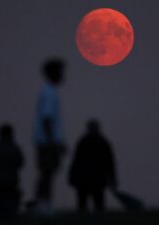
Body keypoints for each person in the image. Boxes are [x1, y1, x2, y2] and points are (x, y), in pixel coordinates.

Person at [33, 58, 66, 215]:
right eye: (60, 71)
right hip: (47, 142)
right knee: (46, 173)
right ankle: (43, 205)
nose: (62, 75)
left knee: (48, 173)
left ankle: (44, 203)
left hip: (47, 141)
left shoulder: (49, 92)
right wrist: (54, 142)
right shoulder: (49, 93)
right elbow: (47, 119)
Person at [68, 120, 117, 212]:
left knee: (93, 206)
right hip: (89, 179)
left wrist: (72, 176)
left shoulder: (94, 142)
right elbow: (76, 160)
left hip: (91, 179)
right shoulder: (101, 142)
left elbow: (110, 163)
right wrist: (112, 178)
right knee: (88, 206)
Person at [0, 124, 24, 217]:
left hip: (0, 180)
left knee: (1, 203)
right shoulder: (14, 148)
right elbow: (20, 163)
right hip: (10, 180)